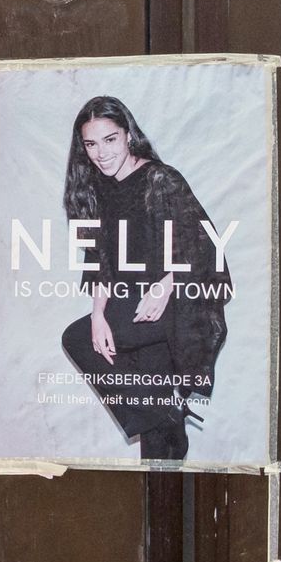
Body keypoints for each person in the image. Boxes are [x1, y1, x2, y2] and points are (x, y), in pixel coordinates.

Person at [57, 95, 233, 463]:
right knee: (157, 434)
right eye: (91, 144)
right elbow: (101, 262)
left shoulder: (160, 179)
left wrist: (164, 286)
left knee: (76, 340)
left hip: (174, 306)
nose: (101, 153)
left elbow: (201, 246)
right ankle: (167, 419)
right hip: (132, 306)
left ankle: (165, 413)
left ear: (128, 134)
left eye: (110, 140)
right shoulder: (98, 190)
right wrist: (99, 314)